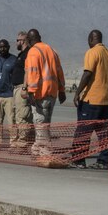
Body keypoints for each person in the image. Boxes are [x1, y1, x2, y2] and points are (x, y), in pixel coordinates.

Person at [71, 29, 108, 169]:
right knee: (105, 133)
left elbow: (87, 73)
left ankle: (79, 160)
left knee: (83, 131)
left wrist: (77, 92)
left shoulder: (92, 52)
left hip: (92, 100)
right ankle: (104, 161)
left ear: (91, 39)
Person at [23, 29, 66, 157]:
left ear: (29, 41)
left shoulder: (33, 52)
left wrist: (31, 92)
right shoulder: (52, 50)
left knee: (40, 123)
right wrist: (62, 90)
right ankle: (37, 149)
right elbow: (59, 72)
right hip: (51, 93)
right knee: (44, 123)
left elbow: (33, 73)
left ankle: (45, 152)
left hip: (40, 94)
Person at [11, 31, 33, 149]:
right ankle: (22, 141)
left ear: (23, 41)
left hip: (22, 88)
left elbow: (28, 71)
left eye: (17, 40)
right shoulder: (21, 54)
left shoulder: (28, 54)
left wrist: (24, 87)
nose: (16, 42)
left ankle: (23, 143)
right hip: (16, 88)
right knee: (17, 116)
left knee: (22, 116)